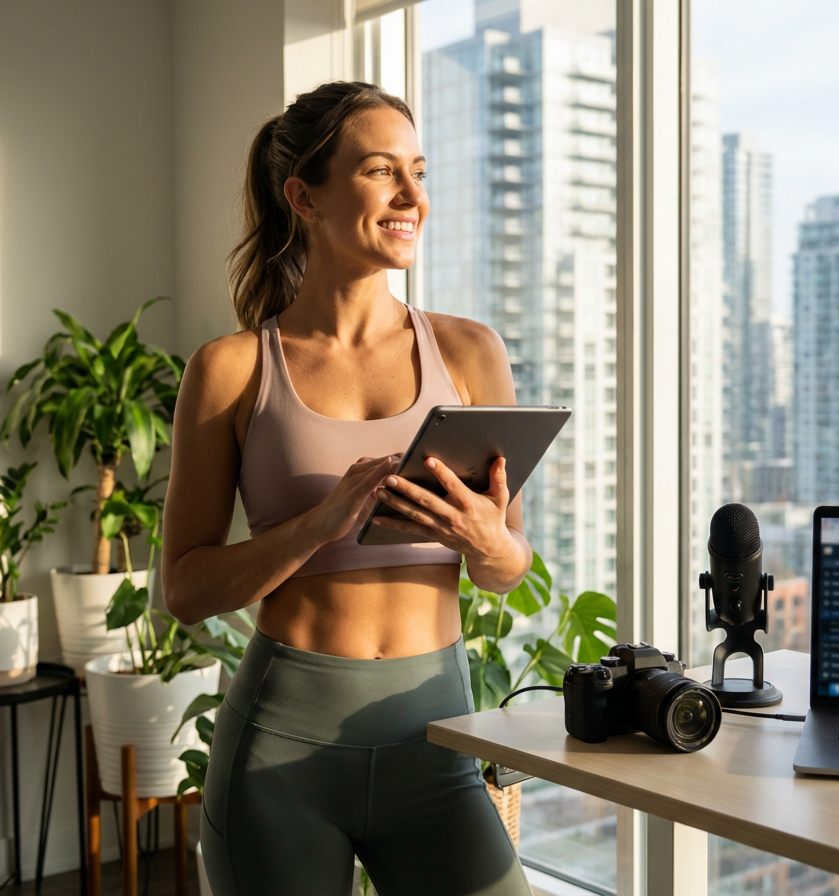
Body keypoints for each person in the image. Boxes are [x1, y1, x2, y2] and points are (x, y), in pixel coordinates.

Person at [161, 81, 535, 896]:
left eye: (420, 172)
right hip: (280, 755)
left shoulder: (470, 354)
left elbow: (507, 568)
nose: (412, 197)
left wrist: (487, 539)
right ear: (305, 196)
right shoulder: (230, 370)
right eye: (380, 171)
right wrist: (315, 525)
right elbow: (184, 589)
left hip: (431, 739)